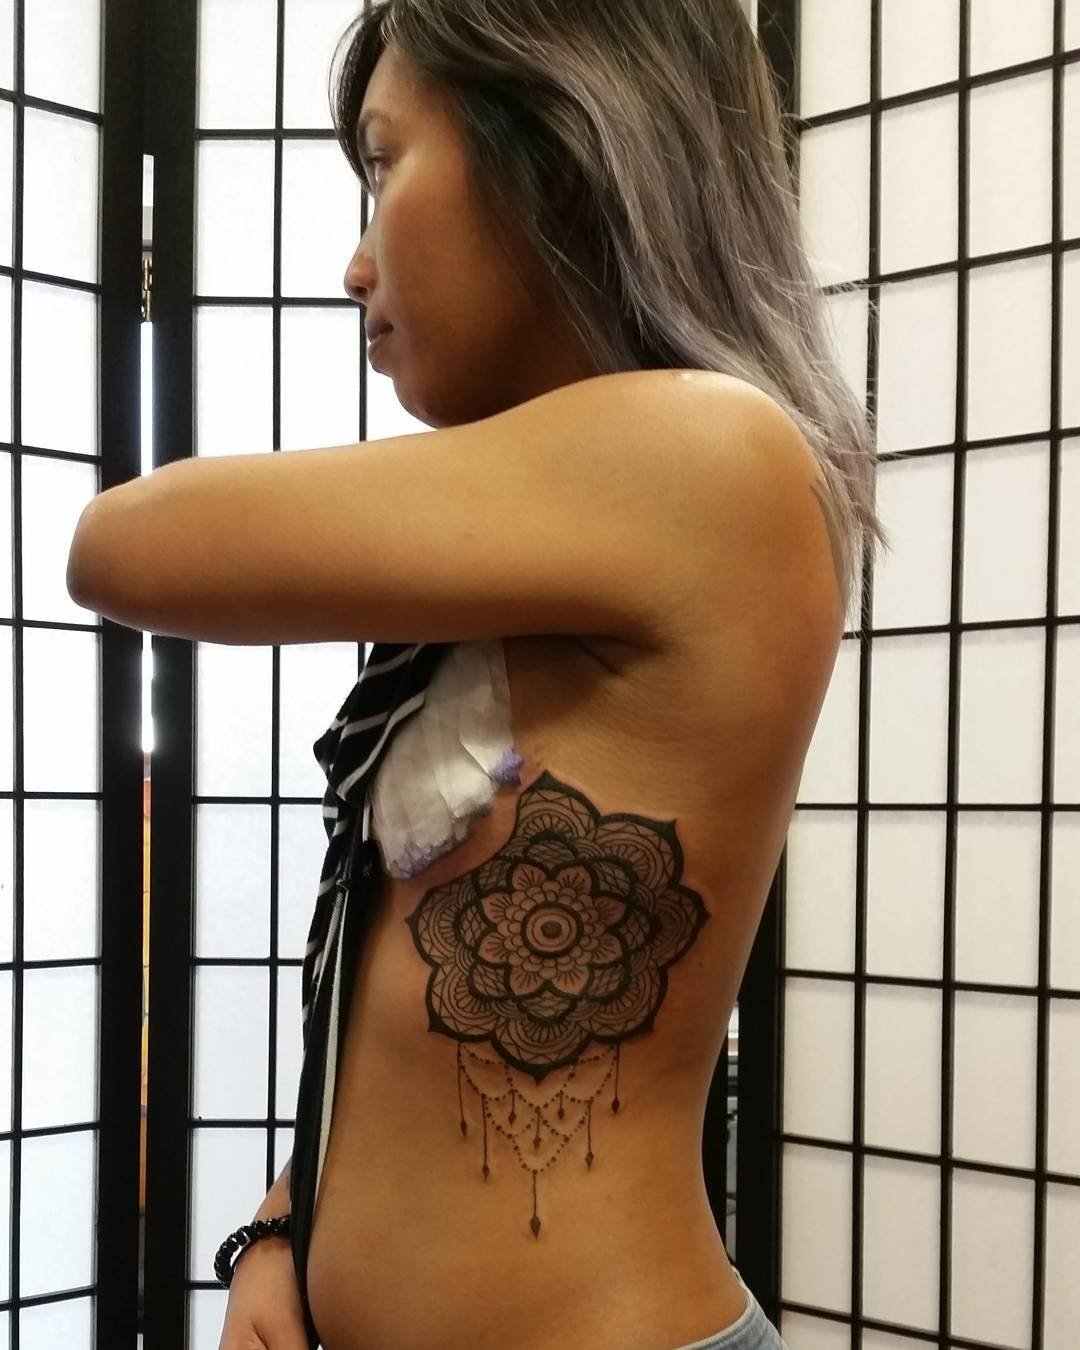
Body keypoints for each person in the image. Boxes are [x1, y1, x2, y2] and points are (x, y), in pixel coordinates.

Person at [216, 1, 889, 1347]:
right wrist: (289, 1220)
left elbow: (123, 544)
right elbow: (389, 980)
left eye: (383, 165)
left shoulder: (712, 455)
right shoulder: (522, 557)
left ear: (558, 152)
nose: (355, 263)